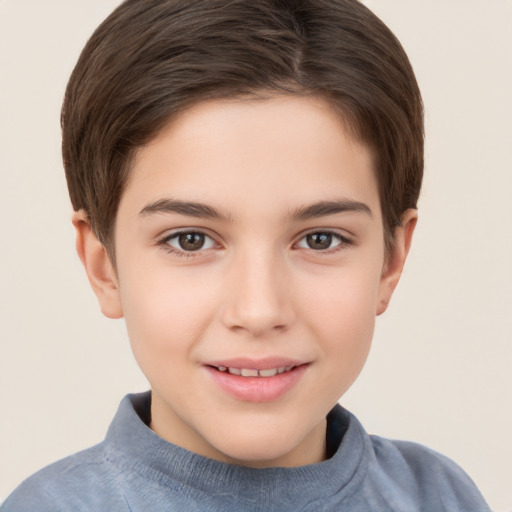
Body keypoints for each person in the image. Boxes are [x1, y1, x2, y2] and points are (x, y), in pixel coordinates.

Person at [1, 0, 491, 510]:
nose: (259, 311)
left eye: (320, 239)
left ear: (391, 261)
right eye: (190, 240)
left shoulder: (439, 496)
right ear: (104, 267)